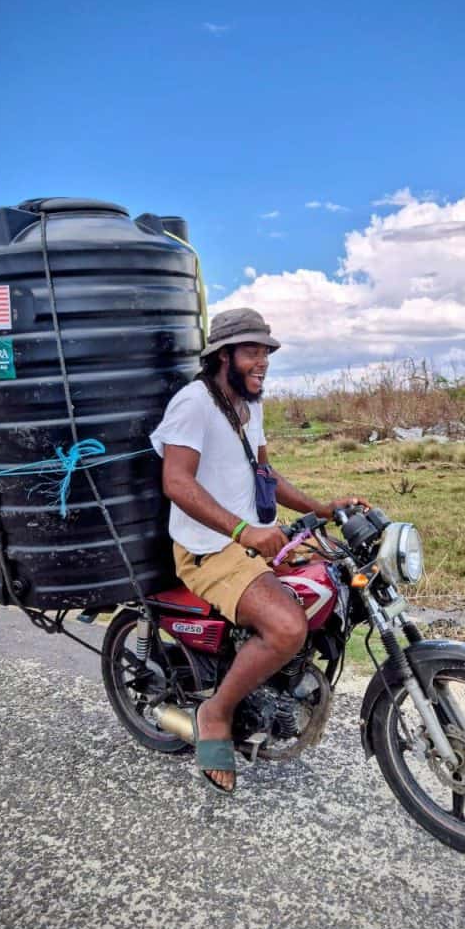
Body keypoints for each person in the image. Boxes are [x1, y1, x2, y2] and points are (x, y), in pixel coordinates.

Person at [150, 308, 362, 793]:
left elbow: (265, 476)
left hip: (259, 539)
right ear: (223, 356)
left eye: (265, 351)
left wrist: (324, 508)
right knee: (286, 626)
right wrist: (244, 531)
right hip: (210, 549)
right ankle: (216, 711)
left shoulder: (250, 405)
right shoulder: (193, 404)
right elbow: (176, 483)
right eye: (251, 351)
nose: (262, 361)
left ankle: (275, 684)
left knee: (341, 579)